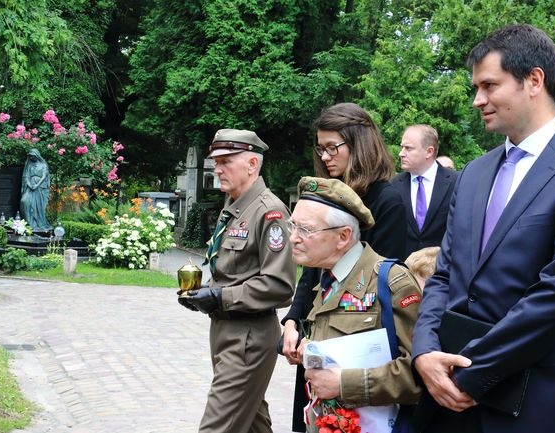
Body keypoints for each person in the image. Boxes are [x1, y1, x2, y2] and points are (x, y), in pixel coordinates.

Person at [412, 24, 555, 433]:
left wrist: (473, 374)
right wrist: (424, 352)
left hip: (533, 401)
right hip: (447, 400)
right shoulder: (474, 174)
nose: (478, 100)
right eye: (476, 87)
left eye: (489, 85)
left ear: (534, 80)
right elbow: (444, 274)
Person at [281, 102, 407, 432]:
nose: (324, 157)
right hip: (319, 337)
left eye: (332, 147)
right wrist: (294, 319)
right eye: (319, 148)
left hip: (356, 350)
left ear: (360, 143)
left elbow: (381, 284)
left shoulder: (387, 200)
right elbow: (312, 267)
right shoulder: (329, 192)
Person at [178, 129, 296, 433]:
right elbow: (233, 273)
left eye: (226, 161)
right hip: (226, 331)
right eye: (216, 161)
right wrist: (205, 293)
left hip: (248, 337)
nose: (217, 169)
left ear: (252, 164)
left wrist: (220, 298)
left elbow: (281, 286)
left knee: (217, 427)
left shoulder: (269, 212)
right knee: (253, 422)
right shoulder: (234, 206)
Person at [288, 176, 422, 433]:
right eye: (292, 226)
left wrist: (344, 384)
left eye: (305, 229)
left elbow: (417, 374)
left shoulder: (392, 282)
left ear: (343, 236)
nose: (293, 238)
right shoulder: (327, 280)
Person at [392, 124, 457, 259]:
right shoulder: (394, 185)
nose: (401, 153)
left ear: (429, 151)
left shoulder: (456, 182)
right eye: (402, 147)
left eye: (408, 148)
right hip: (403, 271)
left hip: (442, 270)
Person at [20, 148, 52, 231]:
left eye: (32, 156)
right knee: (24, 201)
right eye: (30, 156)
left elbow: (44, 176)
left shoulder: (43, 165)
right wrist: (30, 185)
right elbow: (26, 176)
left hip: (40, 188)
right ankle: (30, 224)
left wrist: (36, 185)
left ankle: (38, 223)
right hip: (30, 187)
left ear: (37, 156)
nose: (31, 158)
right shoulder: (29, 165)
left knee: (38, 206)